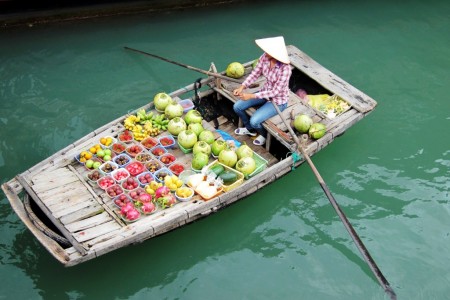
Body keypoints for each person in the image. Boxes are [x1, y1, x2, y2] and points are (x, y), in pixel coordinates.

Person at [233, 36, 292, 146]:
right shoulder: (265, 57)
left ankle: (263, 135)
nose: (265, 52)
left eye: (268, 51)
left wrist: (250, 96)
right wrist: (242, 86)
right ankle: (249, 129)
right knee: (237, 107)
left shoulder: (285, 69)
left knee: (255, 121)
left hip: (278, 101)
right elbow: (255, 73)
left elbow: (275, 92)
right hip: (264, 93)